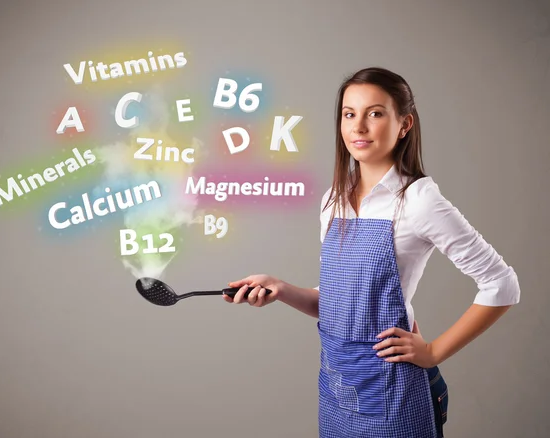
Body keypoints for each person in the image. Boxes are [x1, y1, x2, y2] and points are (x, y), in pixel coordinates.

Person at [223, 67, 521, 438]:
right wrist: (280, 289)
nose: (358, 127)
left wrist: (433, 352)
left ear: (404, 124)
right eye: (349, 114)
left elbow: (501, 284)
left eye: (375, 113)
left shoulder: (418, 201)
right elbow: (341, 304)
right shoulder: (334, 200)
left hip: (394, 391)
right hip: (338, 385)